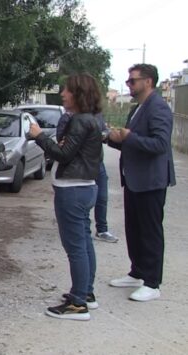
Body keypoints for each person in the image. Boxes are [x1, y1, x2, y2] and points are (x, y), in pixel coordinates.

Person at [30, 73, 103, 321]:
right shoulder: (88, 119)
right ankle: (85, 293)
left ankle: (78, 304)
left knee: (75, 248)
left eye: (67, 90)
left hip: (72, 189)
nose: (62, 93)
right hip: (83, 187)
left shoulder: (80, 121)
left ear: (79, 93)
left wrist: (39, 135)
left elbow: (63, 154)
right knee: (83, 242)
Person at [107, 64, 175, 302]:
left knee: (150, 232)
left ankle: (152, 282)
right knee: (134, 229)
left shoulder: (159, 108)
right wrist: (114, 139)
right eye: (128, 81)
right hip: (134, 179)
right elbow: (132, 142)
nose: (128, 84)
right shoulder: (138, 109)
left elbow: (159, 145)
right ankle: (137, 272)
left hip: (151, 181)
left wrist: (129, 137)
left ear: (148, 82)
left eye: (132, 81)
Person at [57, 112, 117, 243]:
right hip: (79, 165)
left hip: (97, 162)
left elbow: (105, 131)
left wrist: (105, 134)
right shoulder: (68, 117)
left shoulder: (98, 115)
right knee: (83, 197)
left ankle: (102, 230)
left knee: (102, 196)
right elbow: (61, 139)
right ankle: (82, 228)